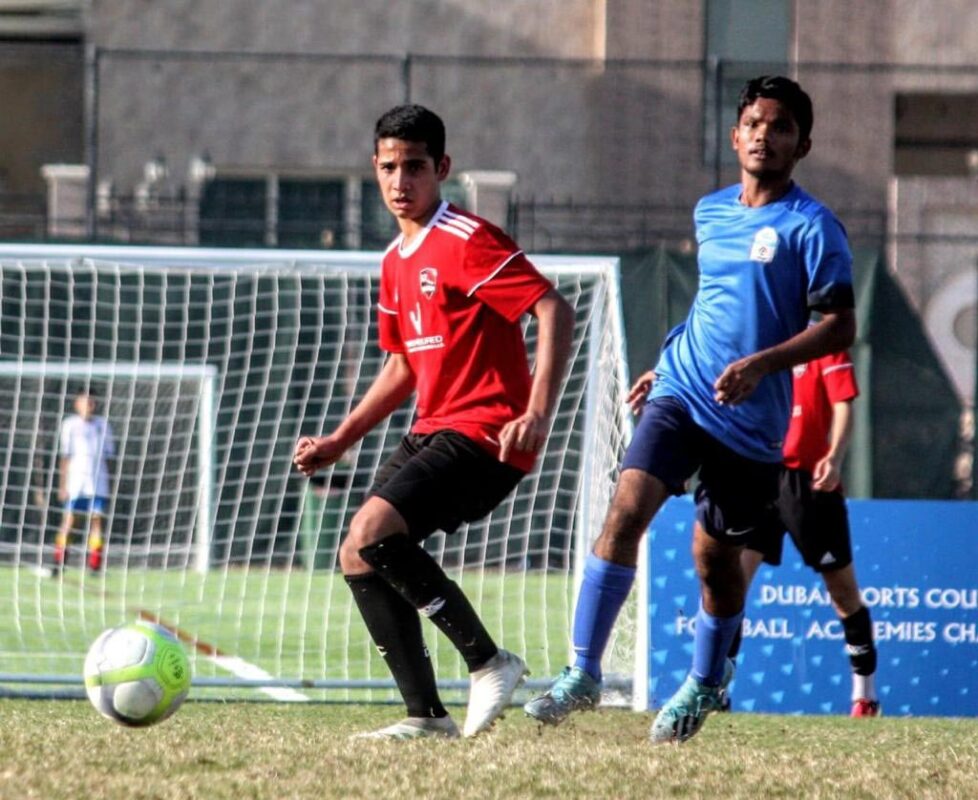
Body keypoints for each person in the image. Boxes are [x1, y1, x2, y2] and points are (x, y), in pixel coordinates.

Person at [524, 75, 856, 744]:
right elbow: (716, 304)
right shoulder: (710, 212)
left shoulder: (813, 227)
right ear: (735, 137)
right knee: (626, 510)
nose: (765, 135)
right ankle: (583, 672)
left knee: (713, 561)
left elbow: (840, 326)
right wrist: (668, 358)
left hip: (753, 424)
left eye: (781, 127)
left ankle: (705, 681)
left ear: (803, 145)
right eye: (754, 124)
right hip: (682, 391)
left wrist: (762, 365)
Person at [293, 104, 575, 740]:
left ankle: (489, 661)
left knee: (372, 529)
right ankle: (425, 716)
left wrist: (536, 411)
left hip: (488, 432)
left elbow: (553, 310)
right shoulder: (395, 259)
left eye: (415, 167)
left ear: (442, 168)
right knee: (357, 554)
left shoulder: (467, 239)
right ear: (375, 168)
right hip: (434, 427)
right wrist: (340, 439)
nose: (401, 181)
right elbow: (401, 366)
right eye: (389, 167)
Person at [724, 348, 879, 717]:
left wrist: (835, 456)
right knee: (731, 587)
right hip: (759, 475)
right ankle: (716, 689)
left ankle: (865, 695)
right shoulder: (757, 342)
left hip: (809, 486)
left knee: (843, 593)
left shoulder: (823, 344)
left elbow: (843, 404)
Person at [54, 387, 116, 573]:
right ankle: (59, 562)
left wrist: (111, 483)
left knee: (96, 522)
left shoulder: (103, 426)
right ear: (77, 404)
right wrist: (62, 486)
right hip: (76, 483)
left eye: (92, 401)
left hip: (98, 483)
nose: (89, 405)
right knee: (70, 521)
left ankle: (95, 566)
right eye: (85, 401)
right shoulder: (70, 425)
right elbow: (65, 457)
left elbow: (110, 457)